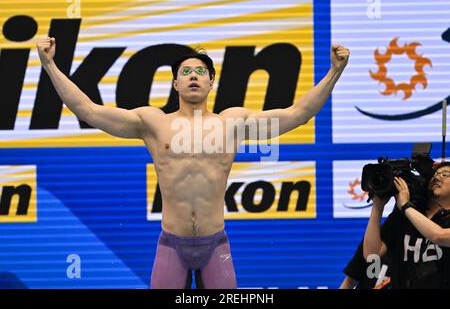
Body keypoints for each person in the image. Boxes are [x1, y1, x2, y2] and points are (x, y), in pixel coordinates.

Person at [36, 37, 350, 289]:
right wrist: (49, 65)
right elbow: (88, 110)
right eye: (185, 72)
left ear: (212, 83)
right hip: (171, 244)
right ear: (175, 85)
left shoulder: (233, 123)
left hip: (216, 244)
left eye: (200, 72)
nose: (193, 76)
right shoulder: (153, 122)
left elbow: (298, 114)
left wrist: (335, 71)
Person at [363, 161, 450, 289]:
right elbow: (372, 254)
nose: (436, 177)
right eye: (435, 174)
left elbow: (438, 236)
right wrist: (377, 206)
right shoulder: (406, 215)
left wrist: (405, 206)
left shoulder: (407, 210)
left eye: (445, 175)